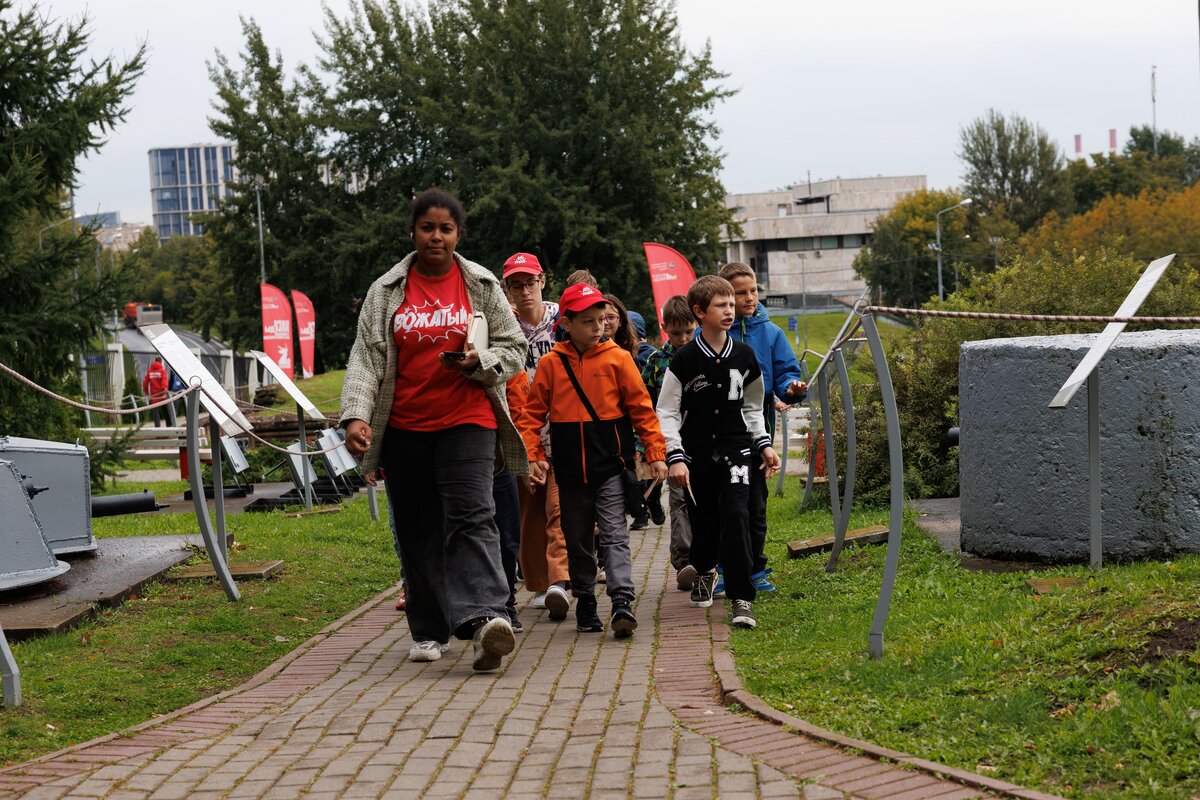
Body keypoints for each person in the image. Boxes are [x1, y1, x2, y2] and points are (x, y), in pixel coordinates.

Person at [340, 188, 526, 672]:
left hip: (469, 418)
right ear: (413, 233)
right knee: (418, 528)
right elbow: (366, 359)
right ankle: (428, 627)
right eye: (428, 228)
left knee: (473, 515)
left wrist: (479, 360)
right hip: (406, 426)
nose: (436, 236)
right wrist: (356, 415)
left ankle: (487, 617)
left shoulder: (481, 284)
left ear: (457, 234)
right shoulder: (386, 291)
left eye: (446, 228)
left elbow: (514, 348)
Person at [517, 282, 668, 637]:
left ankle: (621, 602)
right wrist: (534, 455)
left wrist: (656, 453)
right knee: (578, 536)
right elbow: (531, 415)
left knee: (615, 534)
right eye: (588, 321)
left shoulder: (618, 358)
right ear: (566, 324)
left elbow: (642, 410)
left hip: (612, 466)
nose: (598, 327)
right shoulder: (552, 365)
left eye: (601, 319)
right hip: (568, 470)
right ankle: (585, 598)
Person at [656, 275, 781, 630]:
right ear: (700, 312)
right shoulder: (684, 360)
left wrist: (765, 443)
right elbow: (666, 411)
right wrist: (675, 455)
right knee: (705, 521)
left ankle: (742, 598)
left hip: (737, 450)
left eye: (731, 305)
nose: (729, 311)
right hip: (696, 455)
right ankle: (705, 569)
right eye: (721, 305)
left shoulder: (745, 355)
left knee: (737, 515)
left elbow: (753, 407)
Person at [717, 262, 807, 594]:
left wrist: (791, 388)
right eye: (740, 293)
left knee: (755, 502)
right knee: (725, 503)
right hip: (718, 434)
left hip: (758, 432)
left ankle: (755, 568)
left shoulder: (771, 333)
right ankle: (724, 570)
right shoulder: (709, 333)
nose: (749, 297)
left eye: (753, 290)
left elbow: (786, 371)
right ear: (723, 296)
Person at [501, 251, 571, 621]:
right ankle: (542, 583)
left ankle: (561, 579)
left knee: (558, 507)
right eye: (515, 285)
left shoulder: (563, 319)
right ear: (506, 288)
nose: (524, 291)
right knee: (529, 508)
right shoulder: (501, 327)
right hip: (521, 427)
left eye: (529, 282)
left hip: (562, 423)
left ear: (542, 281)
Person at [641, 295, 696, 589]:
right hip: (671, 445)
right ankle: (684, 560)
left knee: (705, 501)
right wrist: (646, 447)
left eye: (689, 331)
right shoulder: (656, 362)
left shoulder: (704, 356)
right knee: (679, 501)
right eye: (676, 333)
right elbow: (645, 405)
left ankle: (708, 557)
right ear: (664, 328)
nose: (683, 338)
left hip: (702, 441)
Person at [141, 357, 169, 427]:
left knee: (155, 412)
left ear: (155, 361)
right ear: (160, 362)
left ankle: (157, 427)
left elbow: (145, 383)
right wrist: (164, 389)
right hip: (162, 394)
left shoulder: (150, 371)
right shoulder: (162, 371)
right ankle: (169, 425)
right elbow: (164, 382)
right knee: (166, 410)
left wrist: (147, 392)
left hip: (154, 395)